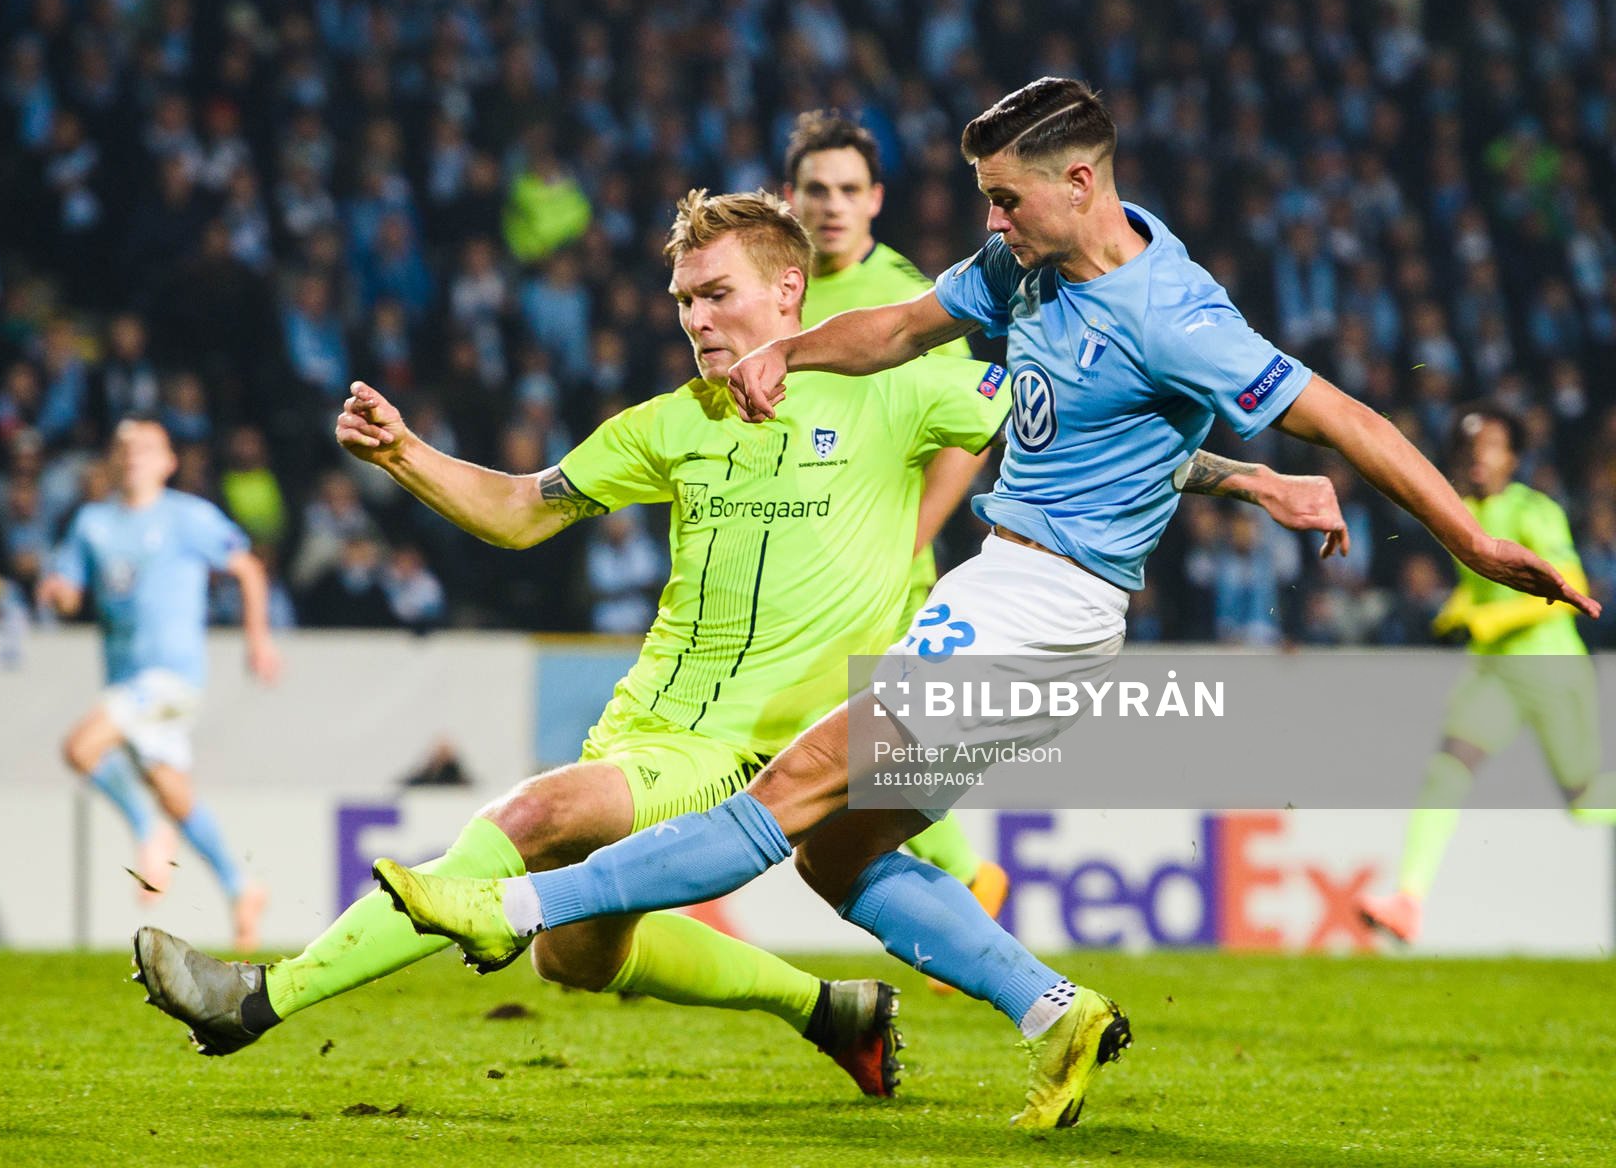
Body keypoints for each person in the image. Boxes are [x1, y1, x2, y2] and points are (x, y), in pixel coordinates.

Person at [372, 78, 1592, 1130]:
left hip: (1038, 605)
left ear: (1080, 180)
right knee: (838, 849)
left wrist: (1472, 537)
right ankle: (1055, 1011)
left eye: (1006, 197)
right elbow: (902, 326)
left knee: (785, 792)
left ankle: (506, 903)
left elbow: (1350, 419)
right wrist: (788, 350)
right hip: (1019, 598)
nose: (990, 221)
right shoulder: (1024, 263)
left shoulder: (1176, 313)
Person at [131, 188, 1336, 1097]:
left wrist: (1251, 479)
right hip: (645, 724)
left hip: (746, 749)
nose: (696, 318)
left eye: (715, 295)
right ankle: (830, 1009)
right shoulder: (669, 422)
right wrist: (406, 455)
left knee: (535, 818)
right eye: (683, 301)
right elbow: (520, 508)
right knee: (575, 960)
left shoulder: (896, 389)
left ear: (789, 293)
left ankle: (258, 997)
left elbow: (1076, 430)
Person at [784, 108, 1006, 924]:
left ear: (877, 198)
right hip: (803, 560)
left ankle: (964, 874)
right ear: (789, 196)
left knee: (850, 741)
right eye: (817, 189)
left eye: (849, 190)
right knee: (845, 745)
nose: (832, 206)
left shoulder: (909, 297)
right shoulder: (781, 287)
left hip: (878, 569)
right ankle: (965, 877)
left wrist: (907, 541)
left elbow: (973, 428)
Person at [1357, 403, 1614, 943]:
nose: (1478, 455)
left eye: (1491, 445)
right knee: (1447, 771)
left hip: (1549, 667)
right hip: (1495, 671)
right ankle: (1408, 901)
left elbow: (1568, 583)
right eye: (1470, 446)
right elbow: (1480, 591)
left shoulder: (1533, 509)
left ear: (1513, 458)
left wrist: (1486, 618)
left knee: (1586, 802)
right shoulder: (1461, 513)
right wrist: (1456, 611)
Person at [39, 418, 281, 951]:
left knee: (80, 749)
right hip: (125, 680)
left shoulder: (188, 517)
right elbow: (71, 594)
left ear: (168, 462)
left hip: (172, 677)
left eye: (146, 448)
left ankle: (148, 833)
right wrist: (56, 591)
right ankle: (241, 887)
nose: (133, 455)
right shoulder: (92, 523)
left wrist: (258, 640)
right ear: (111, 460)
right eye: (123, 447)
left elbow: (248, 570)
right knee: (174, 793)